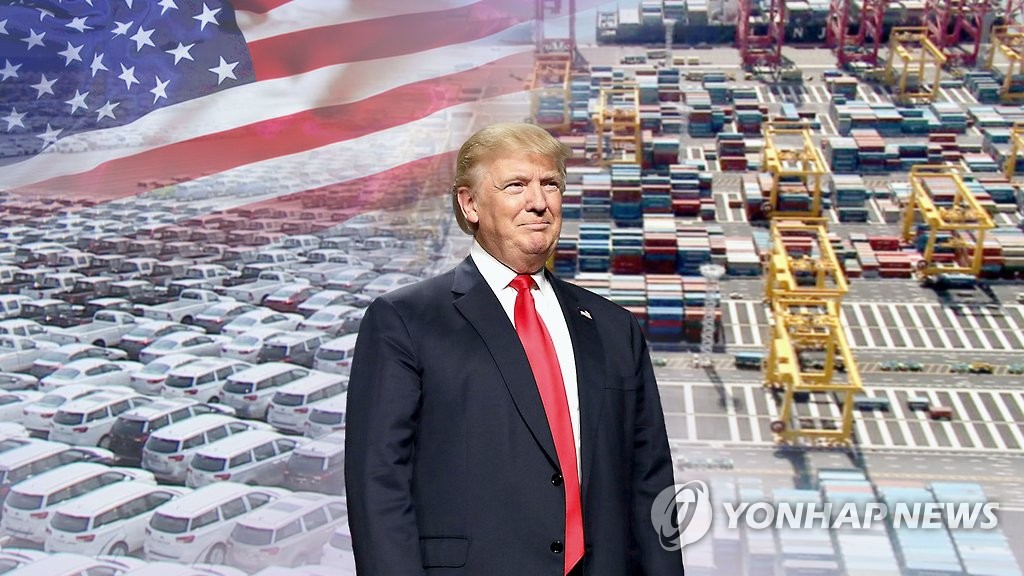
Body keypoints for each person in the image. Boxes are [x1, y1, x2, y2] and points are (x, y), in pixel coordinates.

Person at [345, 122, 684, 575]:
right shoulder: (404, 321)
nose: (539, 202)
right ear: (470, 204)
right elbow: (378, 486)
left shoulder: (614, 328)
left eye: (551, 184)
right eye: (516, 186)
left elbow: (651, 482)